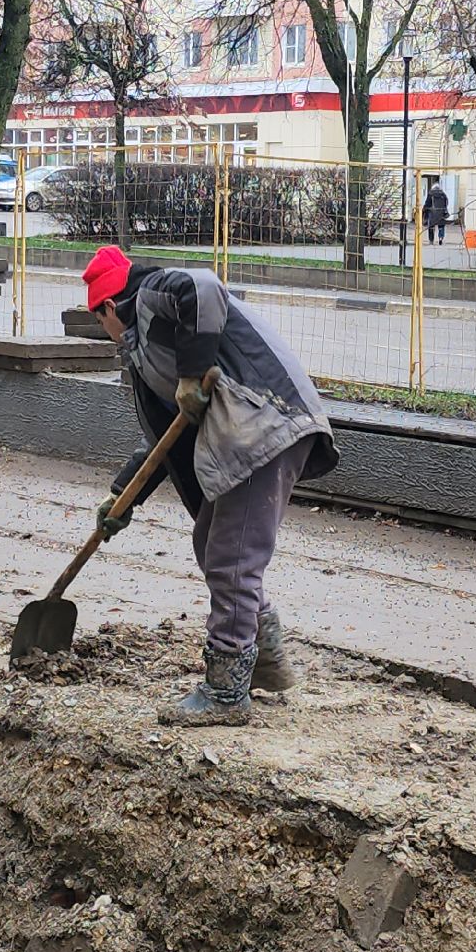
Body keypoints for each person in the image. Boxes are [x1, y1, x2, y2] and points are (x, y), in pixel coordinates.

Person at [82, 245, 339, 726]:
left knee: (232, 557)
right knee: (212, 542)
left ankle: (226, 690)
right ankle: (263, 656)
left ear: (108, 308)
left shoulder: (152, 295)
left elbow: (202, 286)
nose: (107, 332)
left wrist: (189, 373)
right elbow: (164, 440)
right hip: (248, 432)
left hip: (266, 422)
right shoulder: (146, 352)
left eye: (100, 321)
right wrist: (123, 496)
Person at [422, 182, 449, 247]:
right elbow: (446, 203)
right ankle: (440, 238)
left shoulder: (431, 194)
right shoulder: (443, 194)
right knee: (441, 226)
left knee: (431, 227)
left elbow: (427, 203)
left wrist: (424, 209)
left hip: (432, 213)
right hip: (441, 212)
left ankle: (431, 240)